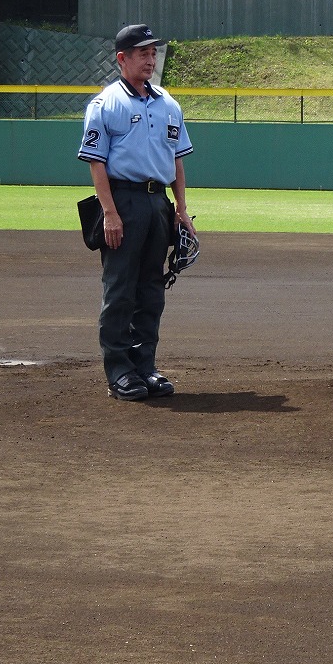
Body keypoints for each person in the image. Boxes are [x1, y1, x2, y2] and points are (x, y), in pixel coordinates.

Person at [78, 24, 195, 401]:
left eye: (153, 52)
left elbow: (176, 160)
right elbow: (96, 163)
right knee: (121, 290)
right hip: (123, 201)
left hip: (157, 202)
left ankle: (145, 366)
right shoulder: (105, 104)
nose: (150, 58)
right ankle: (120, 371)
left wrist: (181, 209)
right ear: (122, 58)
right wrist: (110, 214)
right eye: (142, 52)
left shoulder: (168, 103)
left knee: (152, 291)